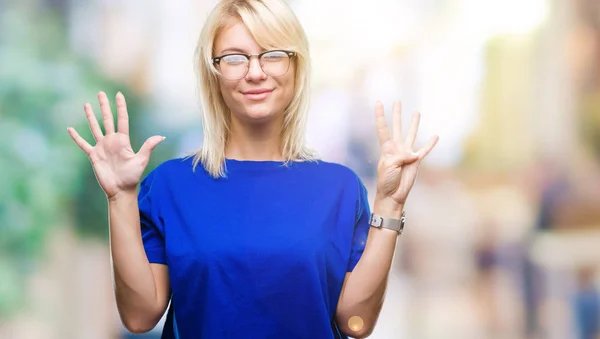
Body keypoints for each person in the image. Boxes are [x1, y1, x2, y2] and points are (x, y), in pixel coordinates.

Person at [66, 0, 438, 338]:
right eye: (235, 58)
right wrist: (119, 197)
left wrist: (389, 205)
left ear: (296, 65)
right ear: (213, 72)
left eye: (272, 55)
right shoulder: (169, 186)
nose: (256, 72)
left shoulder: (339, 188)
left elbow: (355, 321)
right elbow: (139, 317)